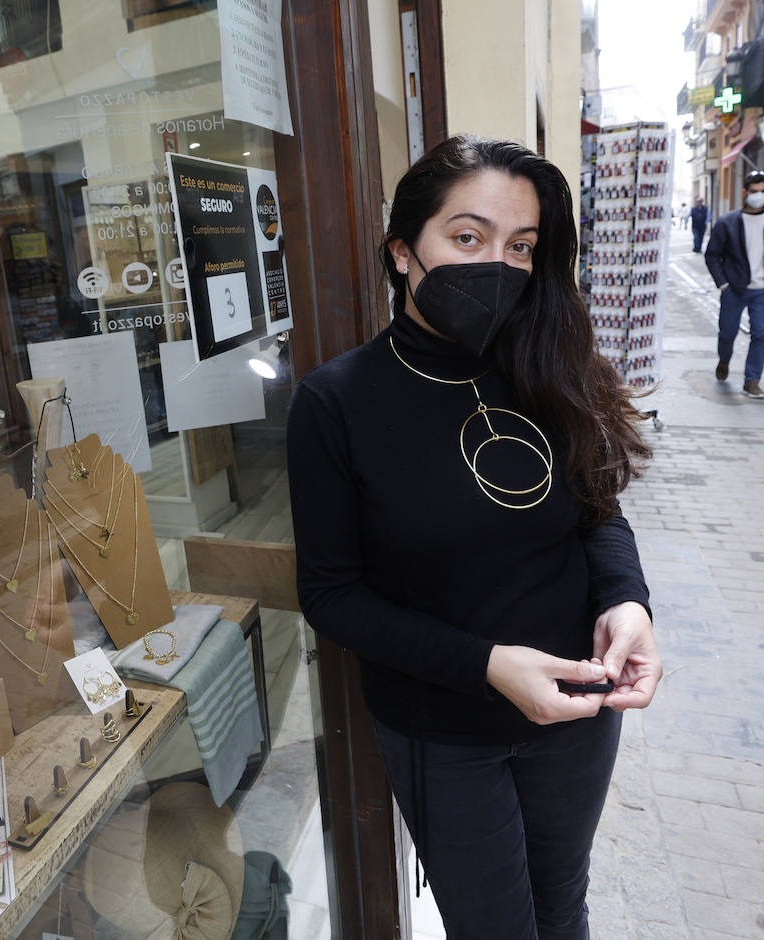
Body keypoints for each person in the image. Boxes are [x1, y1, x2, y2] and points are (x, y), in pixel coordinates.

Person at [287, 135, 661, 939]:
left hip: (576, 710)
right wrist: (488, 665)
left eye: (520, 246)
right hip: (443, 730)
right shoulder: (336, 403)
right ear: (401, 253)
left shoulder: (550, 363)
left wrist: (630, 602)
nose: (498, 263)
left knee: (563, 907)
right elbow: (330, 596)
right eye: (468, 237)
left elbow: (598, 510)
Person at [703, 170, 764, 399]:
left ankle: (752, 381)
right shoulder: (728, 222)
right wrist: (723, 283)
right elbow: (712, 255)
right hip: (734, 289)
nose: (759, 195)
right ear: (745, 192)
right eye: (754, 191)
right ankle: (724, 360)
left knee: (760, 334)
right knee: (727, 332)